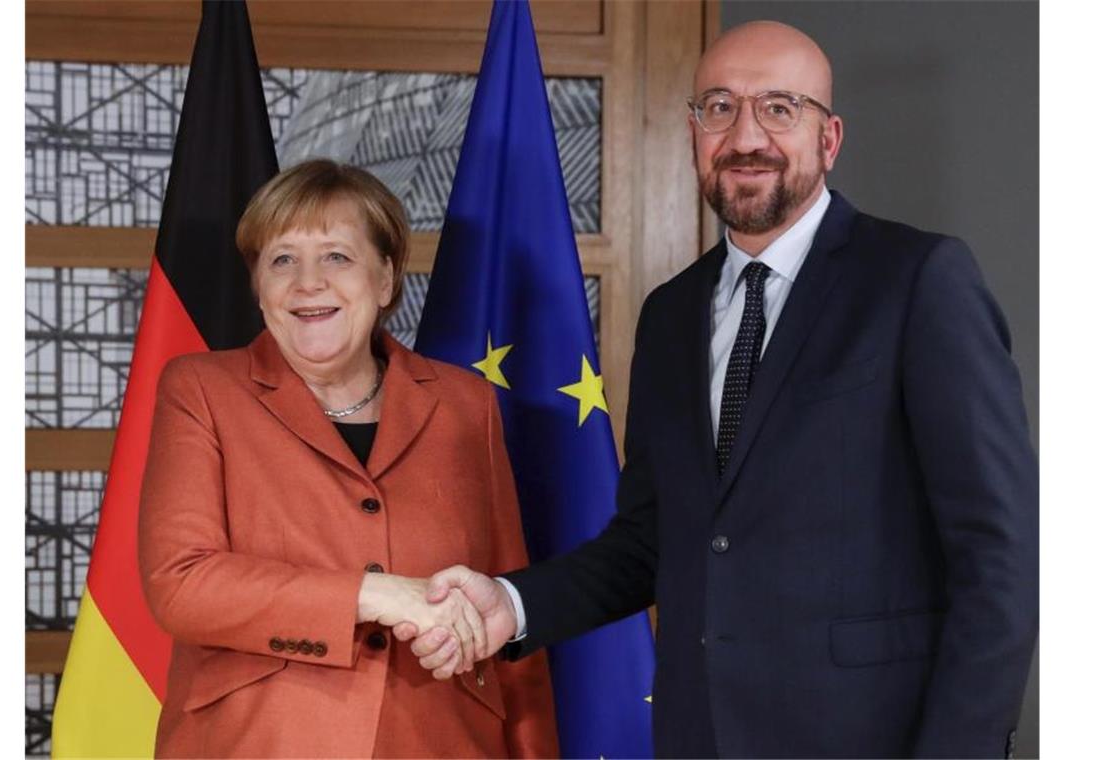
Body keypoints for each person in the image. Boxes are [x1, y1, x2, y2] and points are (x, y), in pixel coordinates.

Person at [403, 20, 1039, 759]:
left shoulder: (918, 281)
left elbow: (998, 557)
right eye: (719, 107)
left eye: (779, 107)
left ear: (828, 139)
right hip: (697, 737)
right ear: (693, 132)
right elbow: (649, 541)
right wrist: (510, 605)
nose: (746, 135)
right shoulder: (671, 314)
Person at [137, 160, 558, 758]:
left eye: (337, 256)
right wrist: (380, 595)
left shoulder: (467, 403)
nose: (308, 282)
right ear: (259, 286)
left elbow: (508, 605)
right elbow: (181, 584)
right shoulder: (201, 390)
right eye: (282, 259)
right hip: (259, 742)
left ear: (385, 280)